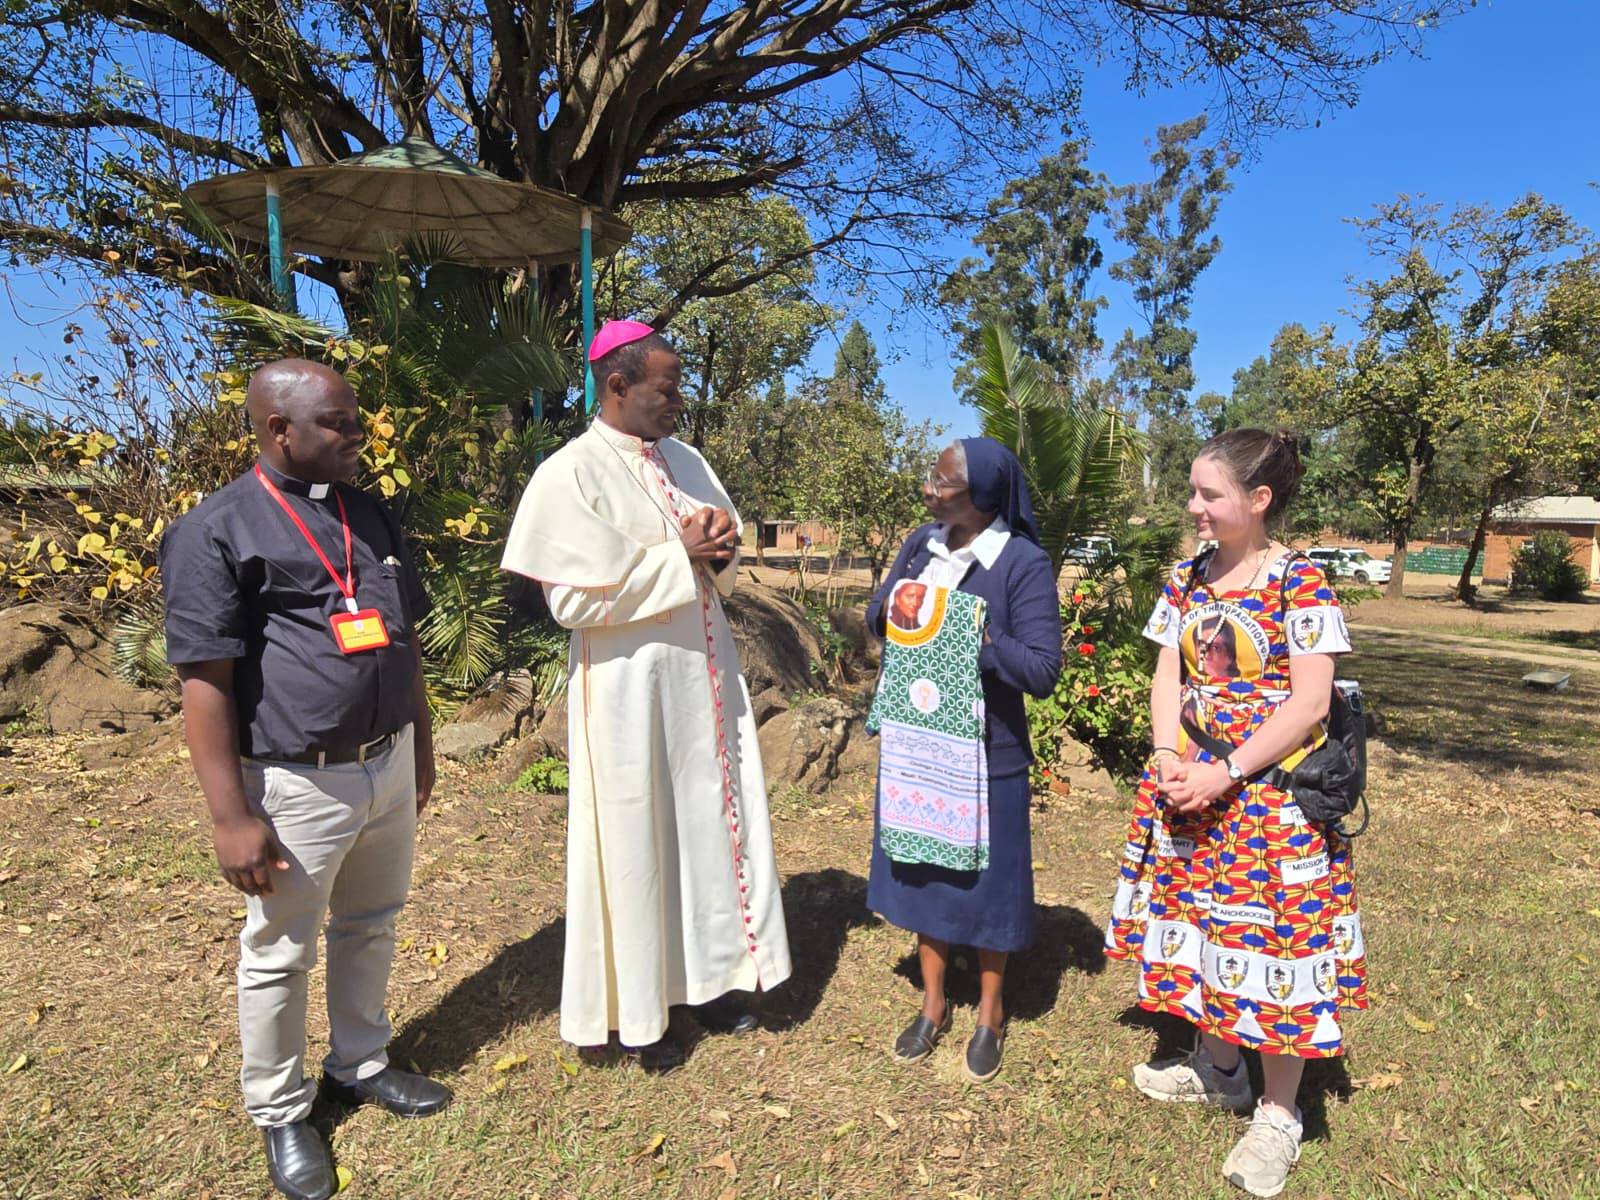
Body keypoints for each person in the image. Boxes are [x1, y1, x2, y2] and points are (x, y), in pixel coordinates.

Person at [160, 359, 450, 1200]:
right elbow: (205, 683)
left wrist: (420, 749)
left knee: (372, 923)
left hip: (386, 762)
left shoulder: (370, 514)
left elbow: (403, 644)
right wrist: (229, 817)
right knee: (280, 953)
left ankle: (359, 1062)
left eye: (355, 419)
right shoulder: (218, 530)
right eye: (337, 423)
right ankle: (282, 1111)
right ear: (277, 430)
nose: (356, 435)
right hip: (295, 782)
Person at [501, 320, 791, 1071]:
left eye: (682, 384)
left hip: (705, 677)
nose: (681, 400)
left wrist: (720, 546)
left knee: (704, 831)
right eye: (668, 386)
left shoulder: (687, 459)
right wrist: (678, 556)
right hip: (628, 689)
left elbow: (719, 565)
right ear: (618, 385)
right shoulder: (569, 474)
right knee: (638, 845)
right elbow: (570, 603)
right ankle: (643, 1013)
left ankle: (714, 979)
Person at [1104, 429, 1365, 1199]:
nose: (1195, 508)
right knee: (1203, 927)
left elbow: (1311, 701)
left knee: (1276, 944)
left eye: (1209, 495)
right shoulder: (1187, 578)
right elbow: (1166, 673)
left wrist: (1225, 771)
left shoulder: (1301, 581)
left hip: (1269, 800)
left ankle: (1280, 1114)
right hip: (1188, 790)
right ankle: (1220, 1071)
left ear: (1258, 500)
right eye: (1194, 492)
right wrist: (1166, 759)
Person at [865, 437, 1062, 1083]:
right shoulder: (921, 544)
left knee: (986, 888)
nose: (929, 488)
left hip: (987, 757)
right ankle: (932, 1005)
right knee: (924, 875)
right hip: (918, 747)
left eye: (942, 481)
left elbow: (1041, 669)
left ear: (980, 494)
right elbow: (877, 615)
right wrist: (899, 609)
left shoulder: (1020, 563)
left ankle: (989, 1013)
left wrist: (970, 635)